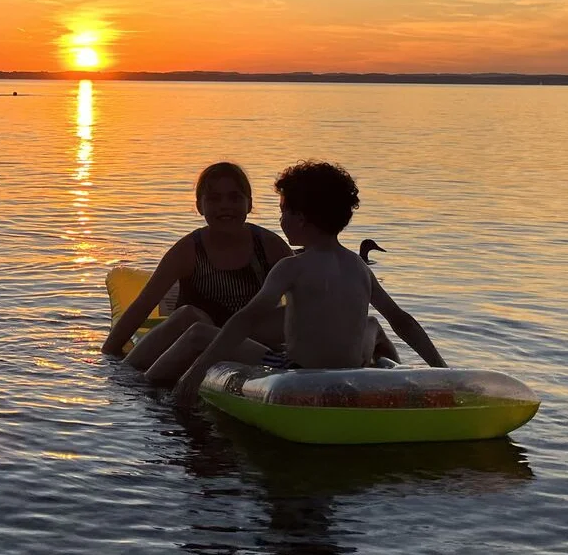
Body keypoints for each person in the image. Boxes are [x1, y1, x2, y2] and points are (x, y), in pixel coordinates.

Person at [173, 160, 447, 407]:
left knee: (205, 336)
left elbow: (245, 319)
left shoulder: (292, 267)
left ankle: (152, 383)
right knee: (373, 326)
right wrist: (443, 371)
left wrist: (197, 372)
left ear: (300, 218)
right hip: (351, 373)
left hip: (296, 373)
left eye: (283, 212)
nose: (280, 221)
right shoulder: (359, 267)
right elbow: (402, 321)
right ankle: (395, 384)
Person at [101, 162, 295, 379]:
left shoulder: (270, 246)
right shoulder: (188, 251)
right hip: (194, 342)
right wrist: (110, 357)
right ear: (200, 206)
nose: (225, 206)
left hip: (246, 343)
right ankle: (128, 380)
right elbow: (143, 305)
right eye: (214, 199)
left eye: (234, 197)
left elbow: (307, 302)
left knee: (286, 313)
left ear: (249, 204)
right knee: (188, 315)